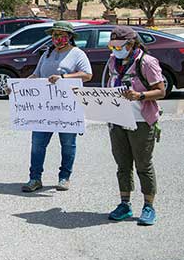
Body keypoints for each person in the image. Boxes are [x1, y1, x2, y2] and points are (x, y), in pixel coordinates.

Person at [103, 26, 164, 225]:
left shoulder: (146, 62)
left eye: (119, 46)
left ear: (132, 44)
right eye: (112, 46)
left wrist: (140, 96)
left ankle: (148, 206)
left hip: (141, 122)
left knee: (143, 165)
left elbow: (161, 90)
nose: (115, 49)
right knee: (123, 165)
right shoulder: (113, 61)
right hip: (118, 119)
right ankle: (124, 204)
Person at [21, 22, 92, 192]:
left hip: (67, 107)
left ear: (69, 37)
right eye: (54, 35)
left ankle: (64, 177)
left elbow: (87, 75)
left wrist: (64, 76)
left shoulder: (77, 54)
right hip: (44, 108)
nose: (57, 39)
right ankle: (35, 178)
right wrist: (19, 87)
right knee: (37, 144)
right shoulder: (46, 53)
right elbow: (36, 75)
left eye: (62, 35)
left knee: (68, 144)